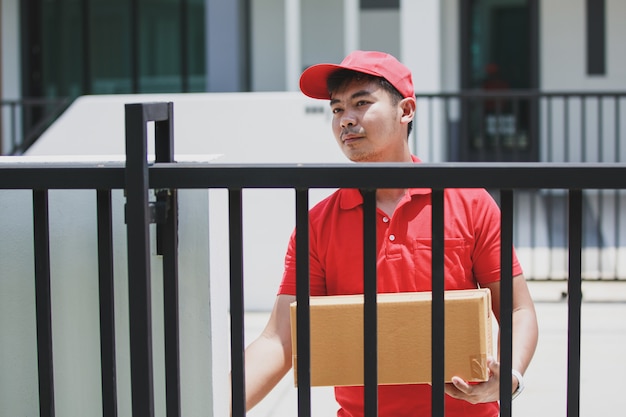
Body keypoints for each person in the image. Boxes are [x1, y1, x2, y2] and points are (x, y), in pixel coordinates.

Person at [238, 50, 538, 417]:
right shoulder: (317, 224)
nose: (346, 120)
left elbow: (517, 309)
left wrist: (509, 375)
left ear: (406, 110)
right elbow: (280, 340)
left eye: (361, 103)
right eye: (336, 110)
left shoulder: (469, 201)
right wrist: (211, 405)